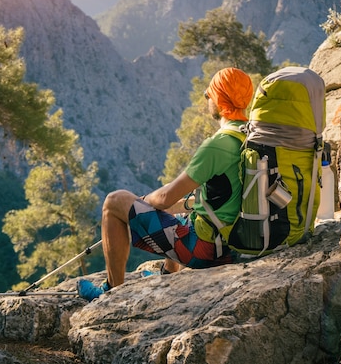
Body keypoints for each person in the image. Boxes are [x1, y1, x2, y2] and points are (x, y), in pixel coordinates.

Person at [77, 67, 254, 301]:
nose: (207, 98)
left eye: (209, 94)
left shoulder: (218, 145)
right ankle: (167, 274)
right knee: (180, 217)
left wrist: (142, 203)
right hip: (231, 243)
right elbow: (224, 197)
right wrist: (175, 207)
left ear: (220, 98)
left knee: (113, 202)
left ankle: (112, 292)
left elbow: (163, 199)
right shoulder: (249, 136)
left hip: (205, 250)